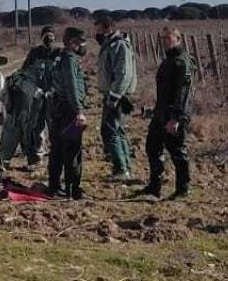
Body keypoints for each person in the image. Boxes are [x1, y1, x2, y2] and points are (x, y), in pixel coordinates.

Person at [143, 25, 194, 200]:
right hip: (161, 112)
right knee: (152, 147)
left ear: (178, 40)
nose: (164, 41)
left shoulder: (180, 62)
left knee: (177, 151)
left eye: (168, 38)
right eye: (162, 38)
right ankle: (154, 186)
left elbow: (182, 93)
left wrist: (176, 118)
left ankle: (183, 189)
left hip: (175, 114)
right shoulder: (168, 60)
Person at [1, 26, 58, 166]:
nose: (48, 39)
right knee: (35, 126)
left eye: (51, 36)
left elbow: (62, 74)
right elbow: (25, 71)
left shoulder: (59, 53)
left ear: (55, 38)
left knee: (55, 128)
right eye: (46, 36)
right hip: (36, 95)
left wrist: (54, 89)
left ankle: (57, 158)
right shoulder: (35, 52)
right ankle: (35, 157)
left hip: (54, 96)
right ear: (41, 37)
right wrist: (33, 89)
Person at [46, 27, 89, 200]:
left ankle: (54, 187)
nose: (82, 47)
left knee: (56, 149)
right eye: (80, 43)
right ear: (73, 42)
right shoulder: (70, 59)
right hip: (69, 111)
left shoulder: (58, 57)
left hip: (57, 109)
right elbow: (72, 86)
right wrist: (78, 111)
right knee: (72, 149)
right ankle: (73, 189)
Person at [94, 15, 138, 182]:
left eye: (99, 30)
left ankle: (121, 169)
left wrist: (114, 96)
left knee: (110, 130)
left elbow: (123, 74)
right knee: (117, 130)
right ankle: (124, 166)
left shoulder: (119, 45)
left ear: (108, 28)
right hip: (113, 94)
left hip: (117, 96)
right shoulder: (110, 45)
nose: (97, 34)